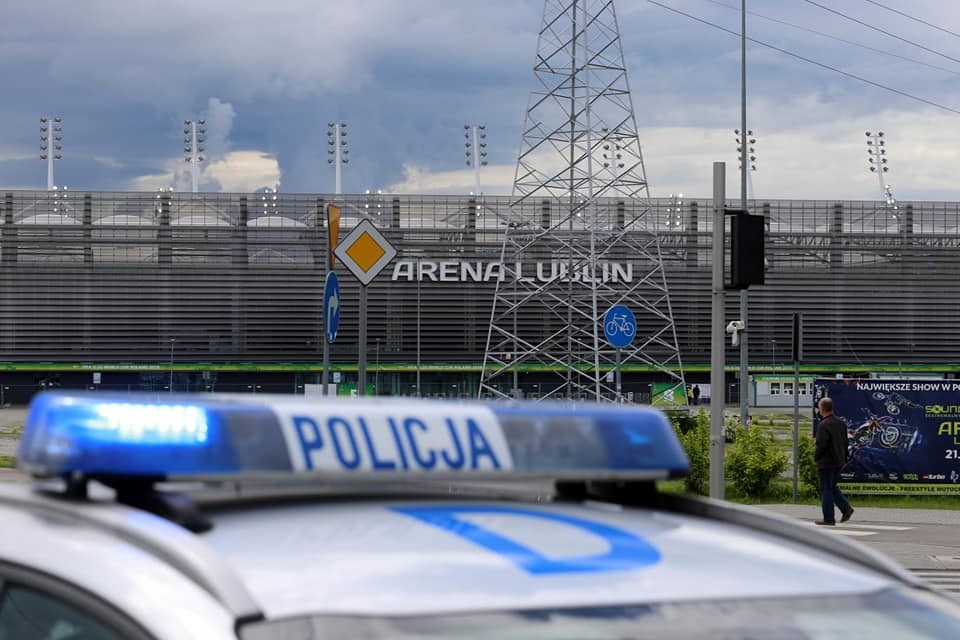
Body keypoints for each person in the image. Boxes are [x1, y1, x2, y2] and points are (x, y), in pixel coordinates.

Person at [814, 397, 854, 526]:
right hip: (839, 461)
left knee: (826, 489)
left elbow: (821, 445)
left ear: (822, 409)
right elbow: (845, 442)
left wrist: (816, 457)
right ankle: (846, 509)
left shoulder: (823, 425)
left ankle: (829, 518)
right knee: (832, 487)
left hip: (826, 462)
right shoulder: (841, 423)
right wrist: (845, 457)